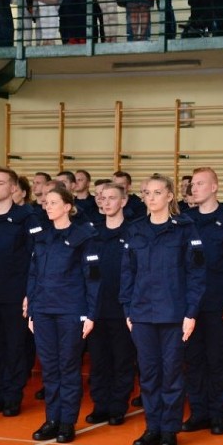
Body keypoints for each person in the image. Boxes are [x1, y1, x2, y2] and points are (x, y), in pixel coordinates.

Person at [120, 174, 205, 445]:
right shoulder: (135, 229)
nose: (151, 197)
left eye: (157, 192)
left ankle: (169, 430)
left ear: (170, 196)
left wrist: (191, 313)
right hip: (142, 313)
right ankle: (152, 427)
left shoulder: (185, 229)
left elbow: (196, 274)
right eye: (146, 192)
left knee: (171, 375)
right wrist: (128, 308)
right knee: (148, 374)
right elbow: (127, 272)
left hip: (174, 314)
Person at [26, 186, 100, 444]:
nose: (48, 206)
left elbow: (92, 278)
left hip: (71, 310)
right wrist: (32, 308)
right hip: (44, 310)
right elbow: (33, 275)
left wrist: (90, 313)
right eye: (46, 202)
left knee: (68, 367)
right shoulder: (42, 237)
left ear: (68, 206)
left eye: (54, 202)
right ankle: (52, 419)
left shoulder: (82, 237)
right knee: (49, 368)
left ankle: (67, 421)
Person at [181, 167, 223, 436]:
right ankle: (199, 412)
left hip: (220, 302)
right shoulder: (185, 220)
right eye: (192, 184)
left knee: (217, 359)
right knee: (193, 360)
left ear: (214, 188)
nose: (193, 188)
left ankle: (218, 413)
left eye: (199, 184)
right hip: (191, 305)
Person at [0, 166, 38, 418]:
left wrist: (29, 293)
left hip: (15, 294)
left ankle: (13, 395)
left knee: (15, 347)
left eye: (0, 183)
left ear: (13, 188)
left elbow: (36, 256)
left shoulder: (27, 217)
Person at [85, 182, 136, 425]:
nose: (105, 203)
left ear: (124, 201)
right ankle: (100, 404)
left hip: (123, 308)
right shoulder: (92, 233)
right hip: (96, 308)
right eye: (102, 198)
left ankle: (117, 405)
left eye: (111, 198)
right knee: (99, 359)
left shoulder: (133, 232)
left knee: (122, 359)